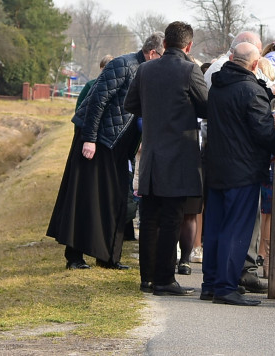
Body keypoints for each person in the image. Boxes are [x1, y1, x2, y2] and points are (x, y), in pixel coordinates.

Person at [46, 33, 164, 270]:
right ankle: (75, 257)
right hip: (98, 140)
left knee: (117, 199)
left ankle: (108, 257)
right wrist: (89, 139)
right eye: (162, 56)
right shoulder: (123, 64)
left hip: (119, 146)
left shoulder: (147, 70)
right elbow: (97, 100)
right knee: (85, 197)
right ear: (152, 53)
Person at [124, 21, 209, 296]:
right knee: (172, 218)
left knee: (149, 219)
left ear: (165, 43)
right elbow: (207, 106)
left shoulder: (146, 69)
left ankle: (146, 278)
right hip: (179, 155)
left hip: (151, 153)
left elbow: (130, 104)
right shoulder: (189, 70)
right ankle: (164, 279)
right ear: (188, 45)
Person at [201, 42, 275, 306]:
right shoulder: (251, 91)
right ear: (255, 65)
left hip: (216, 168)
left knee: (214, 227)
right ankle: (226, 287)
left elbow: (238, 108)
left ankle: (211, 284)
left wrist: (268, 94)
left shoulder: (217, 86)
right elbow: (261, 130)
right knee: (236, 230)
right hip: (243, 170)